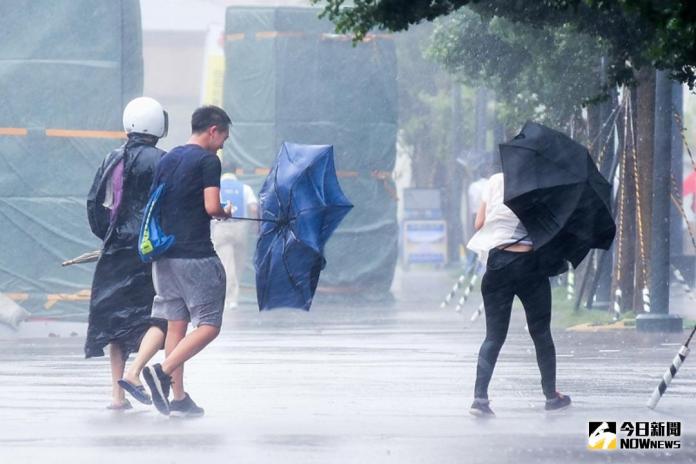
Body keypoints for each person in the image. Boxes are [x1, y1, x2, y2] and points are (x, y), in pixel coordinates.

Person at [140, 105, 233, 417]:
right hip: (195, 255)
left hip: (163, 256)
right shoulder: (209, 161)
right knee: (209, 325)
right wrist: (225, 212)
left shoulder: (168, 158)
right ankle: (162, 372)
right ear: (213, 130)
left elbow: (157, 203)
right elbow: (211, 206)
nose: (223, 144)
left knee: (175, 325)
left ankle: (178, 398)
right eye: (223, 137)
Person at [466, 165, 571, 417]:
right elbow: (549, 228)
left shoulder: (493, 182)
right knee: (541, 333)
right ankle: (550, 396)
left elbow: (479, 223)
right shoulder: (540, 186)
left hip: (497, 266)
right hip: (530, 267)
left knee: (493, 336)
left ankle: (479, 399)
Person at [85, 96, 169, 410]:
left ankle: (117, 395)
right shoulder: (164, 160)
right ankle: (149, 377)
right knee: (159, 314)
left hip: (115, 250)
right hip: (151, 251)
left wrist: (108, 235)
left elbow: (96, 204)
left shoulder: (112, 158)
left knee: (113, 319)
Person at [211, 170, 259, 310]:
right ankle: (233, 298)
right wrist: (255, 225)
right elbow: (254, 207)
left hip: (222, 227)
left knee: (226, 263)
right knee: (239, 263)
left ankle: (229, 298)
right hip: (240, 227)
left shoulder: (216, 187)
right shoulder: (245, 188)